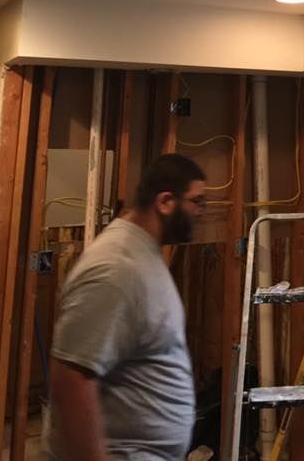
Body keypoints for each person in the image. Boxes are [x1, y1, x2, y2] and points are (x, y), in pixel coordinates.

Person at [42, 153, 207, 461]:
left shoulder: (141, 254)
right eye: (197, 202)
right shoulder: (116, 267)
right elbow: (72, 379)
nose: (202, 212)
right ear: (166, 201)